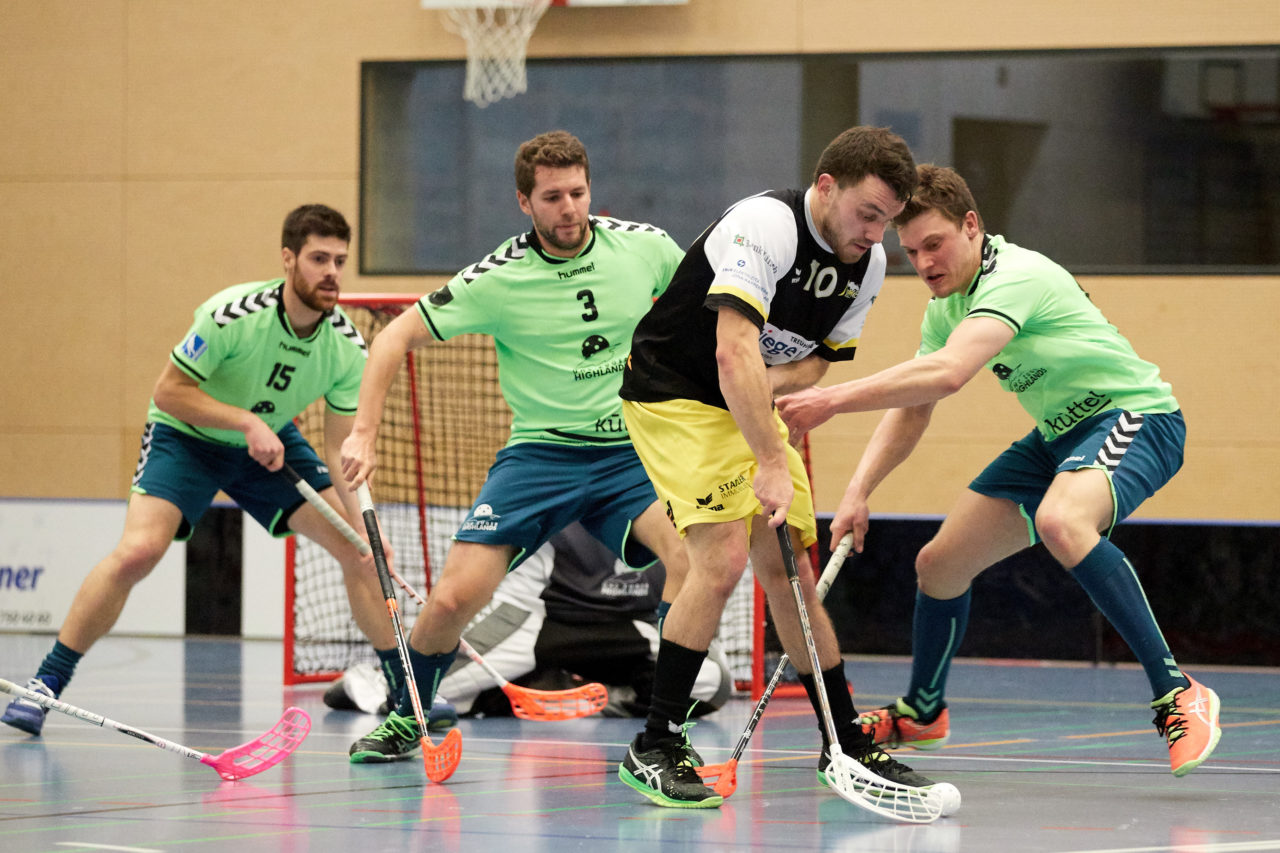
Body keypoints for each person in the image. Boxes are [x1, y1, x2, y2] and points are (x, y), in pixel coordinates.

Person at [776, 164, 1222, 778]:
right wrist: (858, 492)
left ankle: (1177, 691)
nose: (925, 263)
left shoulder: (1016, 275)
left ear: (971, 225)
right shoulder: (946, 306)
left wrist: (830, 399)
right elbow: (913, 410)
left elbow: (950, 373)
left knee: (1063, 520)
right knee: (937, 565)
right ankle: (922, 712)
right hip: (1059, 439)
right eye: (910, 253)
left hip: (1135, 417)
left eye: (934, 244)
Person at [339, 130, 691, 764]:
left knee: (690, 560)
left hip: (629, 453)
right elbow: (393, 339)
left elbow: (707, 312)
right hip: (539, 458)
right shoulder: (497, 278)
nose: (569, 209)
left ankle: (664, 731)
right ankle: (407, 715)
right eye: (552, 197)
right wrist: (364, 430)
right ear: (524, 203)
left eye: (578, 193)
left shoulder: (647, 248)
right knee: (452, 597)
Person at [616, 125, 933, 809]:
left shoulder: (867, 263)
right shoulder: (767, 225)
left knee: (791, 568)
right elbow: (733, 354)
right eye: (867, 214)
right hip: (674, 392)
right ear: (827, 188)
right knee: (724, 554)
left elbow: (818, 360)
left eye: (888, 221)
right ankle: (656, 742)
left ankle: (843, 738)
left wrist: (767, 402)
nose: (876, 235)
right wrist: (768, 458)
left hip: (745, 397)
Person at [2, 204, 399, 737]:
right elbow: (169, 392)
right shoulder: (231, 314)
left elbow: (339, 447)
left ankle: (406, 692)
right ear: (288, 259)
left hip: (267, 444)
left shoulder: (347, 347)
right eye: (318, 258)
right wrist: (243, 422)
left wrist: (366, 528)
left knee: (358, 554)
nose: (331, 272)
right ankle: (45, 684)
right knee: (138, 551)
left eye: (340, 261)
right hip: (186, 437)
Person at [440, 522, 731, 719]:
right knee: (427, 689)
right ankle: (539, 685)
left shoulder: (669, 496)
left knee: (712, 683)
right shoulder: (556, 483)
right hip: (542, 619)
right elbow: (516, 599)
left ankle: (602, 695)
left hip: (632, 627)